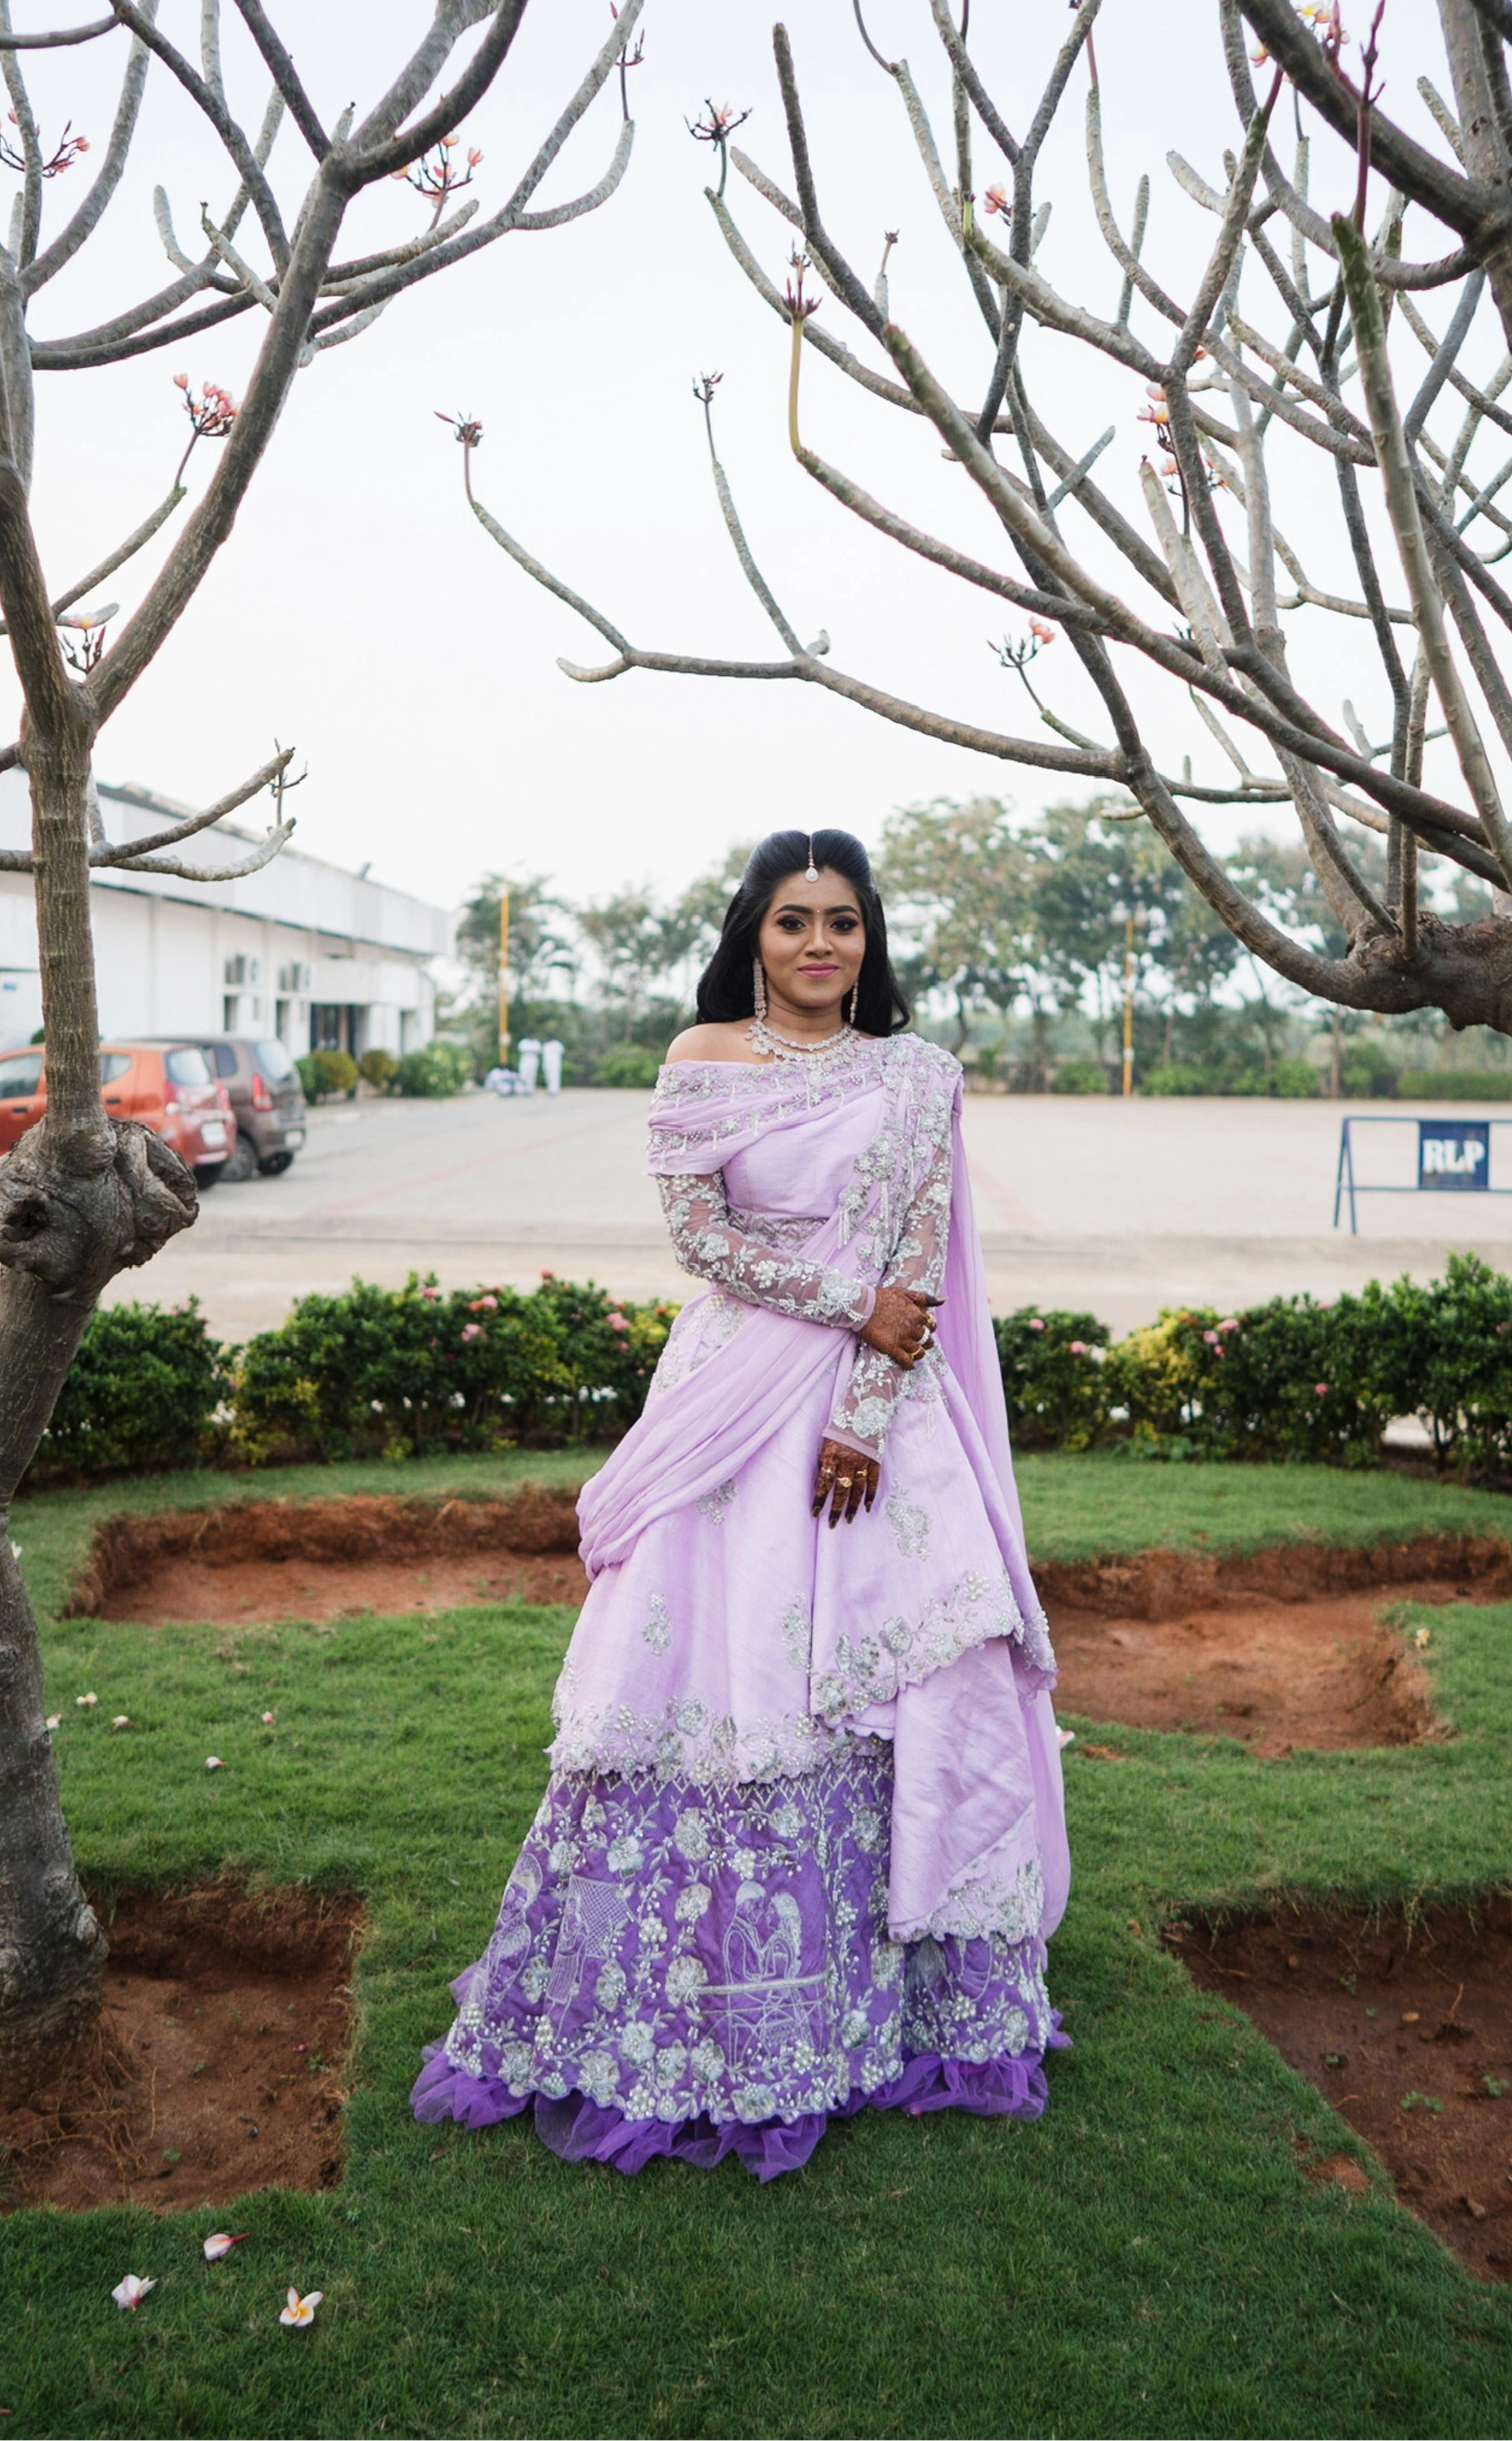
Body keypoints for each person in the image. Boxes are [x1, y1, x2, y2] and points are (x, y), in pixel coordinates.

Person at [413, 828, 1070, 2179]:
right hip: (731, 1403)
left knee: (911, 1678)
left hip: (882, 1410)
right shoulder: (702, 1057)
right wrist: (849, 1311)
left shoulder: (916, 1077)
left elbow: (916, 1259)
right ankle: (686, 1990)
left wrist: (866, 1417)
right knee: (713, 1684)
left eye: (842, 921)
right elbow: (701, 1240)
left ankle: (900, 1998)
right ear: (753, 936)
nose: (821, 944)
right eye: (792, 921)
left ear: (868, 938)